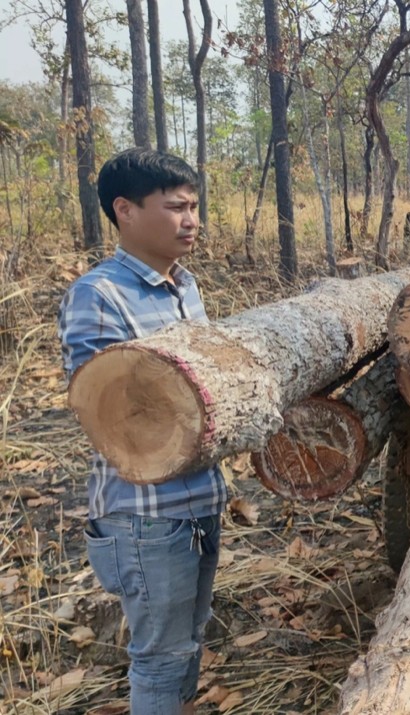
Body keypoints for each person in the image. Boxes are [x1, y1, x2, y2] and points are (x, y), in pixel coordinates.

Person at [58, 148, 226, 715]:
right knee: (159, 655)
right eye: (176, 207)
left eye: (195, 207)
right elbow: (103, 412)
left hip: (199, 496)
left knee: (191, 637)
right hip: (145, 514)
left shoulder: (186, 286)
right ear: (125, 210)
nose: (191, 220)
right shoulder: (96, 296)